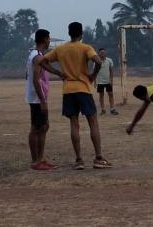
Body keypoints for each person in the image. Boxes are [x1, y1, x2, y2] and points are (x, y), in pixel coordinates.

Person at [41, 22, 112, 170]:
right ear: (81, 34)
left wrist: (58, 73)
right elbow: (98, 61)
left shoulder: (60, 49)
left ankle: (79, 160)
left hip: (68, 90)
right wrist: (93, 74)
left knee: (74, 124)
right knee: (93, 122)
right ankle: (98, 158)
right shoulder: (85, 48)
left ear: (69, 33)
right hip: (83, 88)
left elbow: (43, 61)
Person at [26, 29, 64, 170]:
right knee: (37, 128)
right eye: (48, 39)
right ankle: (35, 161)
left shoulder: (38, 55)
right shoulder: (36, 56)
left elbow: (46, 66)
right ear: (45, 39)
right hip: (37, 98)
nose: (49, 41)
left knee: (44, 126)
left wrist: (59, 73)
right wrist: (42, 100)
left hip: (40, 96)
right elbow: (36, 80)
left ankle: (40, 159)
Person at [95, 48, 118, 115]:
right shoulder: (96, 61)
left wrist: (111, 80)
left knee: (110, 94)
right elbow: (95, 72)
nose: (102, 54)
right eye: (101, 52)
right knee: (101, 95)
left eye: (104, 52)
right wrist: (95, 82)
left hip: (108, 81)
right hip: (100, 81)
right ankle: (103, 109)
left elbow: (111, 71)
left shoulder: (109, 60)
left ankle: (112, 109)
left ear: (105, 53)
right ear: (99, 53)